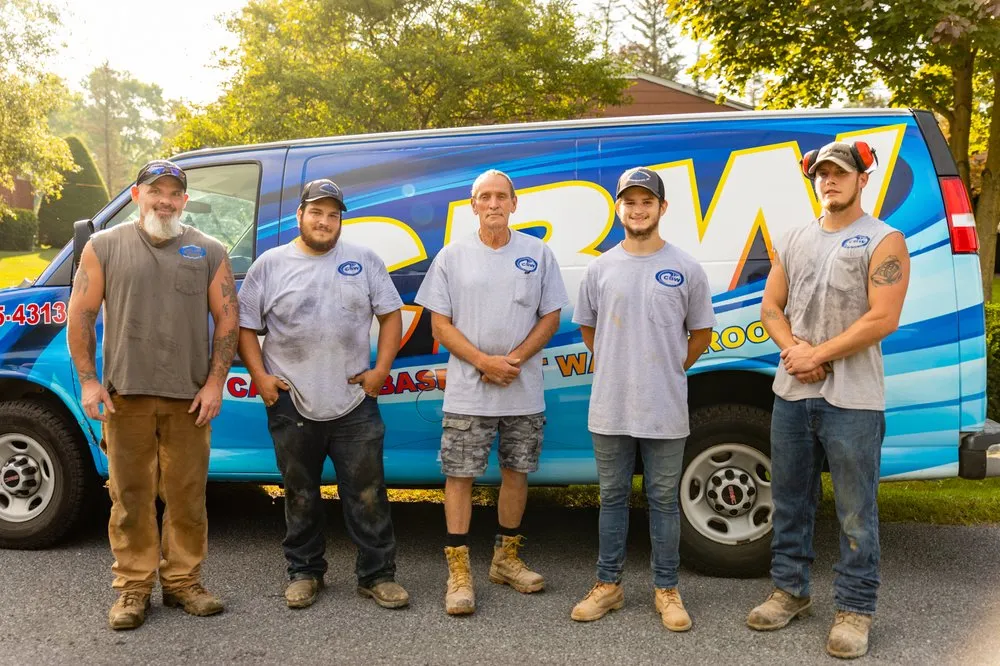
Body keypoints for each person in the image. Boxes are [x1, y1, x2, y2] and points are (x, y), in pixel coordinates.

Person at [746, 141, 910, 659]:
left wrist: (820, 354)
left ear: (863, 178)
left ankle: (855, 611)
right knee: (790, 501)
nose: (829, 181)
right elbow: (771, 305)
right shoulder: (794, 238)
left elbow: (882, 318)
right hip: (793, 392)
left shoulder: (885, 240)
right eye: (821, 174)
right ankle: (789, 592)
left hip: (854, 399)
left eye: (840, 173)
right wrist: (796, 351)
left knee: (856, 512)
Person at [67, 159, 238, 630]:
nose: (164, 200)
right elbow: (79, 315)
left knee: (187, 497)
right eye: (154, 190)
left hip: (189, 400)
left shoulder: (208, 250)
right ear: (137, 194)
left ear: (183, 200)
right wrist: (88, 381)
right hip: (126, 397)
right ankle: (133, 589)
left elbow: (227, 319)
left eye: (173, 193)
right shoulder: (105, 246)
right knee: (131, 499)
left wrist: (214, 382)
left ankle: (183, 583)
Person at [237, 179, 409, 611]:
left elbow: (392, 317)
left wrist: (381, 372)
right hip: (292, 402)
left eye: (333, 214)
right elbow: (244, 328)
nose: (325, 221)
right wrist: (261, 376)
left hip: (354, 402)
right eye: (317, 212)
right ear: (300, 216)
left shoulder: (365, 261)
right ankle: (304, 572)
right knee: (300, 492)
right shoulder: (270, 265)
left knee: (368, 493)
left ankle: (377, 575)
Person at [414, 169, 569, 615]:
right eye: (485, 197)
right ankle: (459, 571)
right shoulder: (452, 256)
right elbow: (439, 324)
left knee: (516, 472)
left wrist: (514, 360)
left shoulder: (537, 254)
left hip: (523, 390)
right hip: (469, 391)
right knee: (459, 476)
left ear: (514, 204)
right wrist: (484, 362)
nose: (494, 203)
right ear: (473, 206)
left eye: (502, 196)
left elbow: (551, 316)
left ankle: (505, 560)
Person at [569, 167, 716, 631]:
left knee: (663, 501)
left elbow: (702, 331)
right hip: (610, 405)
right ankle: (607, 586)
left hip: (665, 406)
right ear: (619, 209)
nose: (638, 209)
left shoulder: (687, 268)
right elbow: (588, 327)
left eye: (646, 202)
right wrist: (621, 362)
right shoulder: (600, 267)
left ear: (662, 208)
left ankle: (666, 590)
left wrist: (669, 365)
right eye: (629, 202)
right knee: (611, 498)